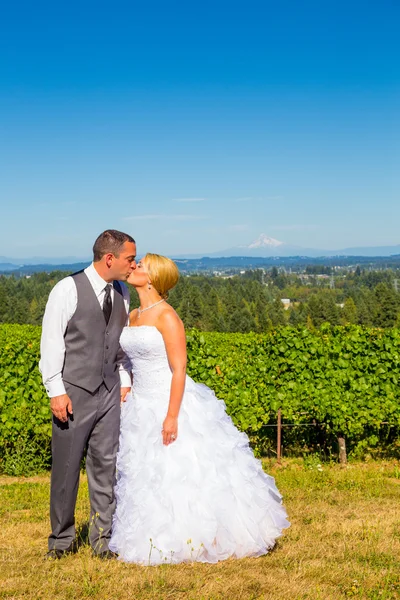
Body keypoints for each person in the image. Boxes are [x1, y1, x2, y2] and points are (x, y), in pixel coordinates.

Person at [109, 253, 289, 564]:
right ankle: (153, 535)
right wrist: (126, 384)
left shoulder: (167, 317)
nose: (135, 267)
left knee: (182, 470)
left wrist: (171, 416)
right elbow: (126, 358)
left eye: (142, 265)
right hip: (140, 403)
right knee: (146, 471)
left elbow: (179, 369)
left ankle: (201, 534)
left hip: (169, 399)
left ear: (152, 278)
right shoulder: (134, 314)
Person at [39, 229, 137, 559]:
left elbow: (118, 345)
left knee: (105, 467)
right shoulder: (66, 290)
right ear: (109, 258)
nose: (132, 265)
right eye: (129, 259)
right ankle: (62, 541)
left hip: (110, 393)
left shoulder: (123, 291)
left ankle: (102, 540)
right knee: (66, 468)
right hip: (74, 392)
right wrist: (56, 391)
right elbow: (51, 344)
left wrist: (123, 380)